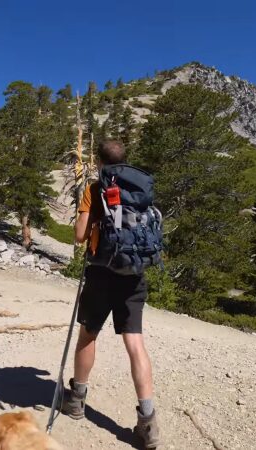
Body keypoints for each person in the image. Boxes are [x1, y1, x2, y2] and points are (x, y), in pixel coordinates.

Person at [61, 140, 160, 449]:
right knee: (135, 343)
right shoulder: (140, 187)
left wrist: (93, 229)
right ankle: (148, 421)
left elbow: (79, 236)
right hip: (133, 274)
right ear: (125, 161)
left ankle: (77, 399)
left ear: (99, 162)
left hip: (102, 272)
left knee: (88, 334)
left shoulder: (95, 188)